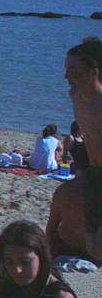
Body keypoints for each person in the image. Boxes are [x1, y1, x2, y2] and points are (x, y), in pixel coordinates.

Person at [46, 37, 102, 262]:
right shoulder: (75, 96)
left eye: (74, 70)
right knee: (94, 247)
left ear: (93, 71)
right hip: (93, 173)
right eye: (66, 70)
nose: (66, 76)